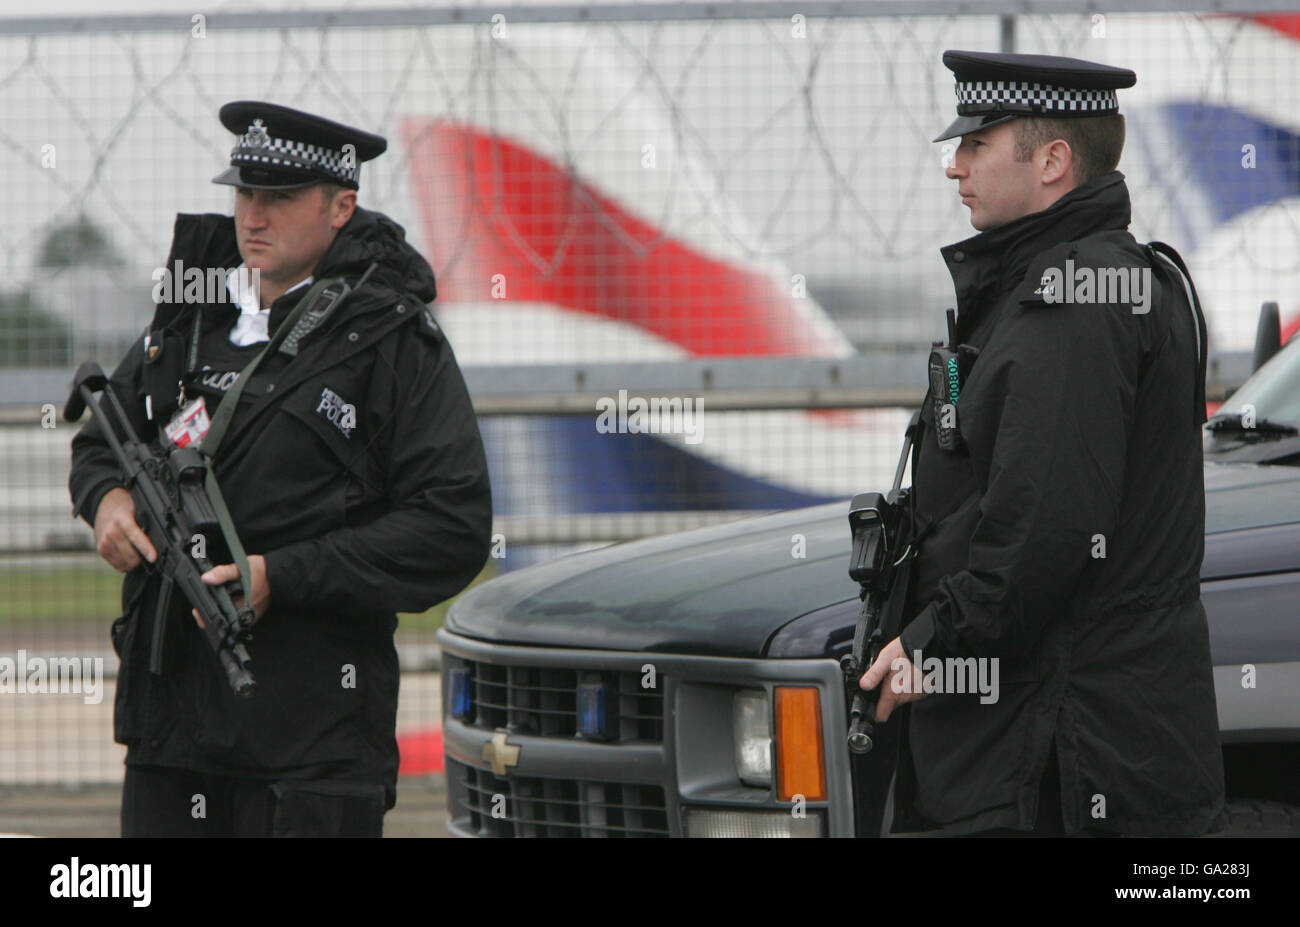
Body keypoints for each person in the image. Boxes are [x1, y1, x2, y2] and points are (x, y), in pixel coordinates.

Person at [68, 101, 493, 836]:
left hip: (311, 746)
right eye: (245, 193)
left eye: (280, 198)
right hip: (172, 733)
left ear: (341, 207)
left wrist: (285, 574)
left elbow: (451, 525)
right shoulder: (191, 317)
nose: (253, 216)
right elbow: (104, 437)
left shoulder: (391, 337)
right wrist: (106, 500)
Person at [859, 51, 1226, 835]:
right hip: (1039, 746)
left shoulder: (1075, 299)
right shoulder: (1046, 285)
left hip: (1054, 760)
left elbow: (1040, 534)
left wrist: (932, 644)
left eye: (977, 144)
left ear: (1054, 160)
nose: (953, 166)